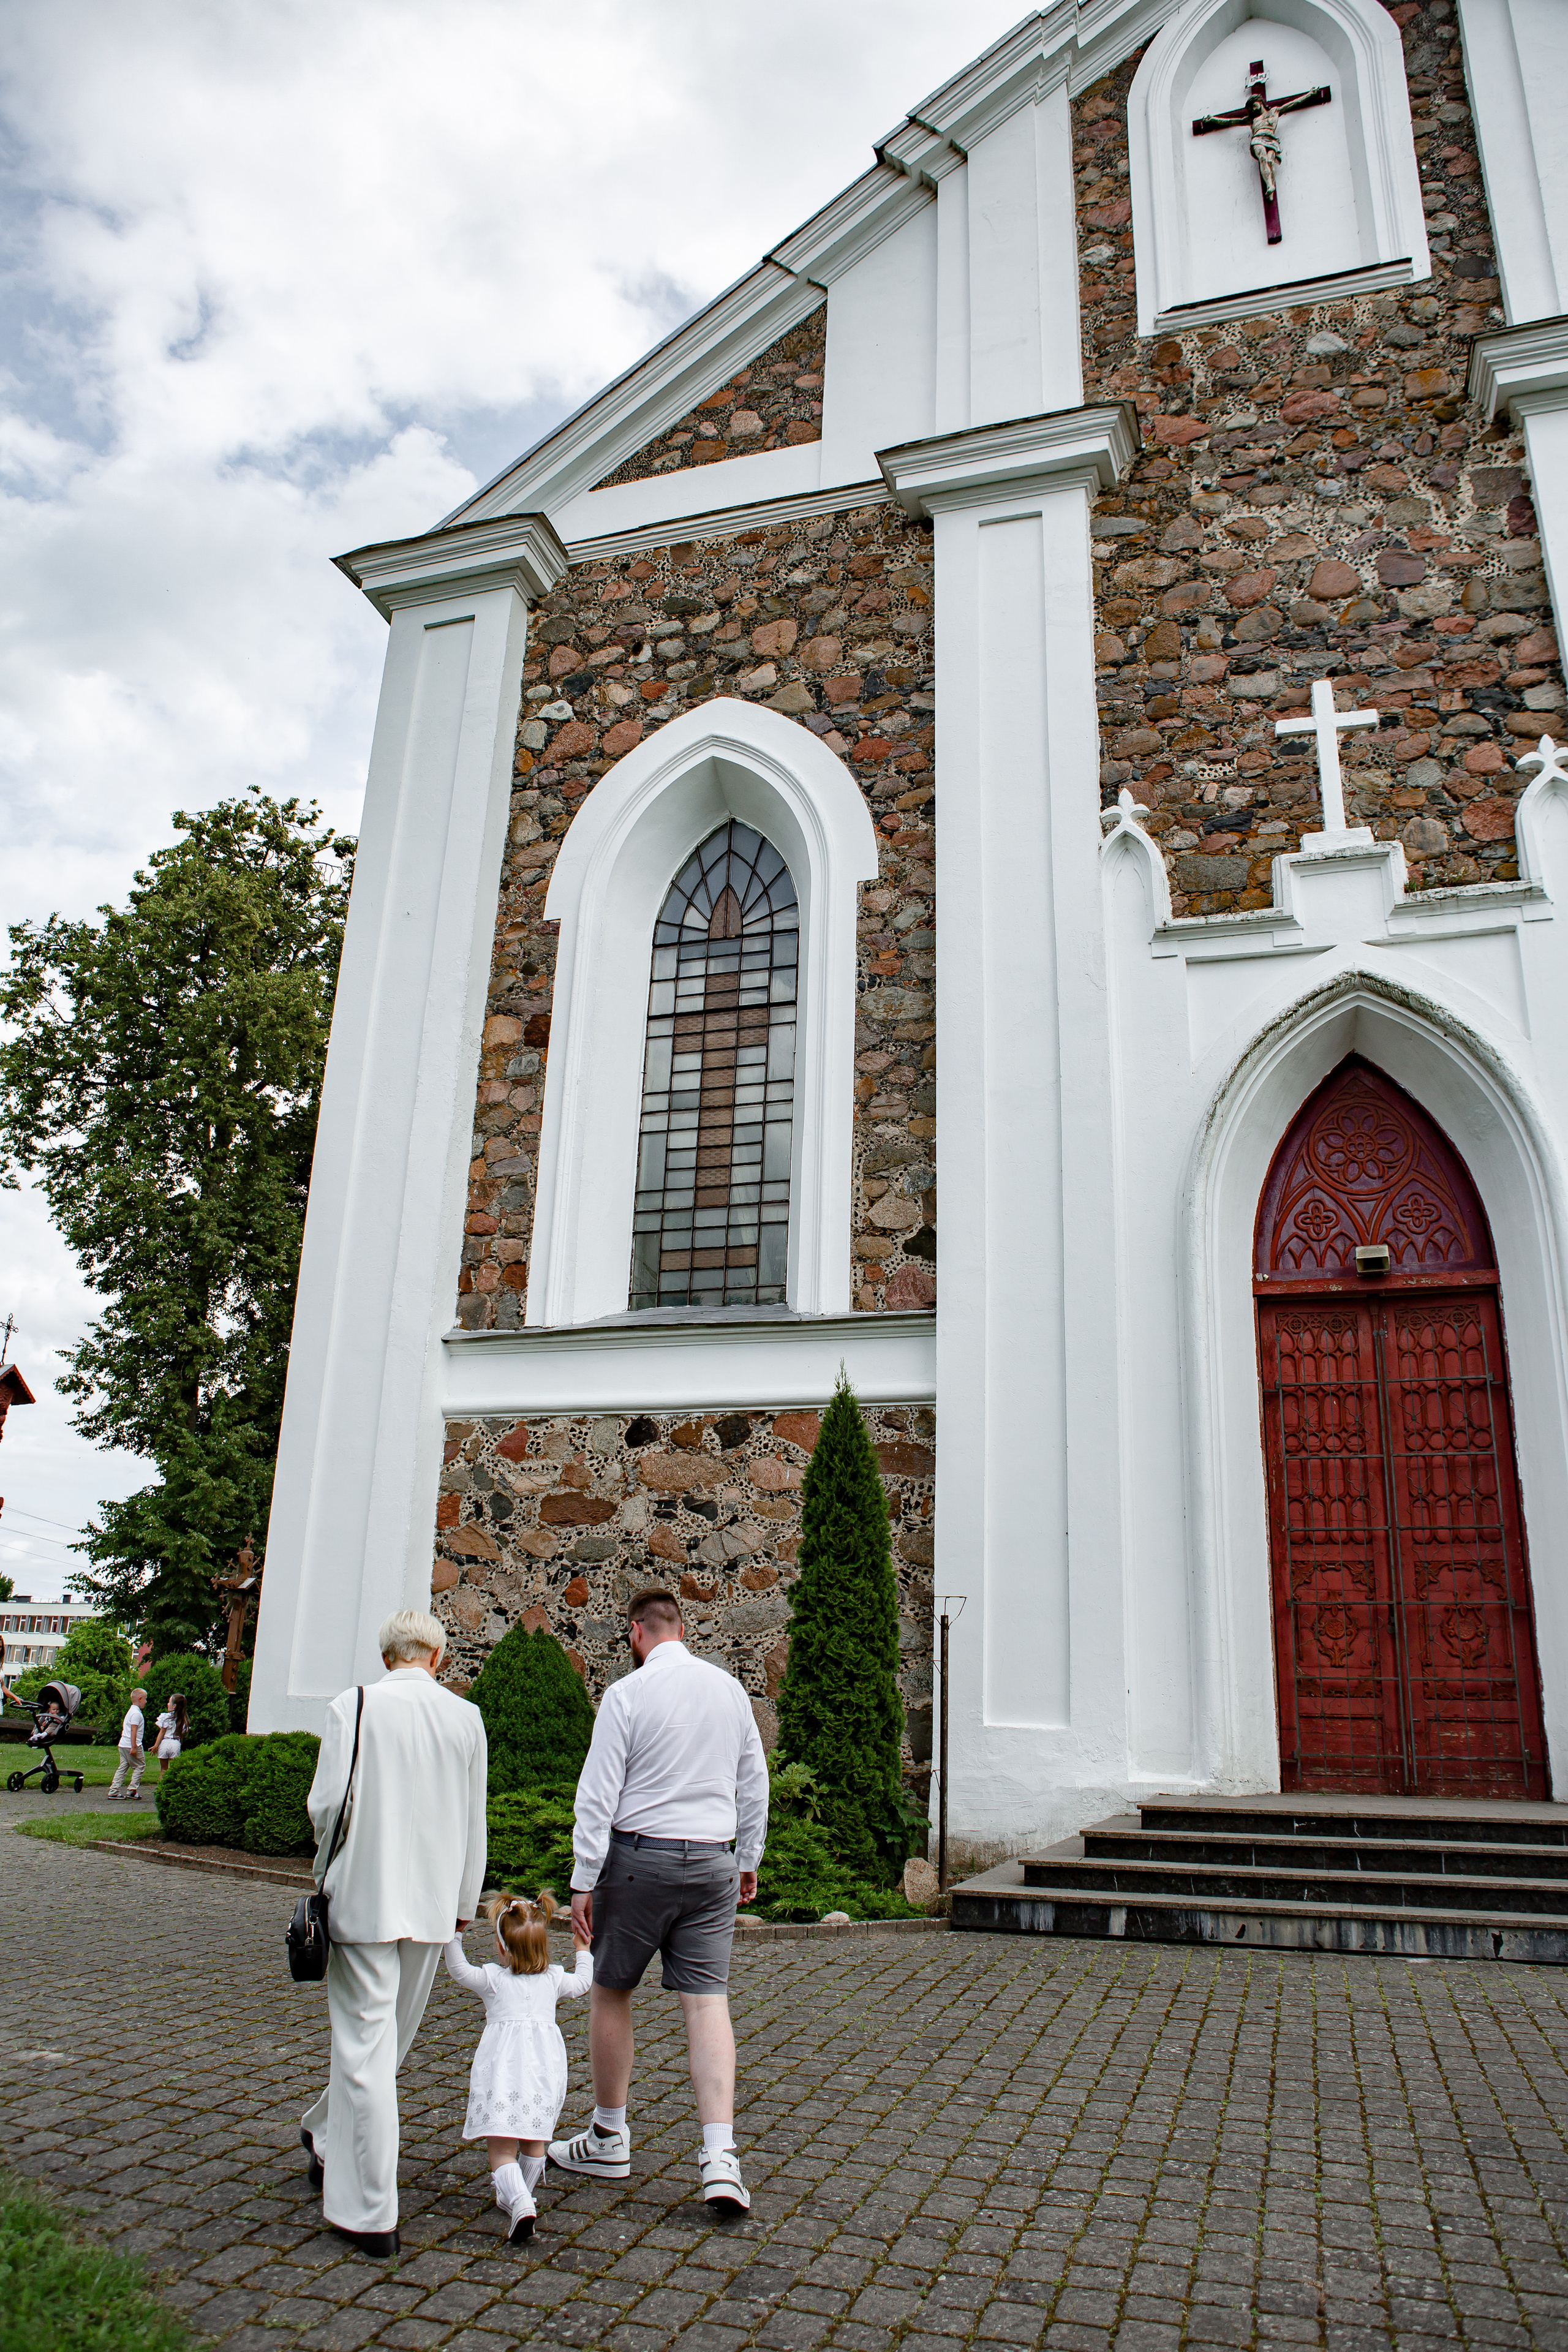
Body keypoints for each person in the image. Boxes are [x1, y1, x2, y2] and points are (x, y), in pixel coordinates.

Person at [548, 1588, 768, 2217]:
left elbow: (598, 1793)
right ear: (680, 1628)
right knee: (707, 2002)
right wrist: (747, 1857)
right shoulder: (728, 1689)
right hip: (712, 1861)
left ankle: (609, 2135)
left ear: (637, 1632)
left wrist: (584, 1878)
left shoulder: (627, 1694)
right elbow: (753, 1781)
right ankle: (721, 2158)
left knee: (611, 1991)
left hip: (639, 1862)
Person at [298, 1608, 488, 2259]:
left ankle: (369, 2208)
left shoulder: (352, 1707)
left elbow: (325, 1806)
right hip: (435, 1903)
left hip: (364, 1896)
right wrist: (466, 1899)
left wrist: (328, 1862)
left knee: (365, 2046)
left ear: (388, 1657)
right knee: (386, 2042)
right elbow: (474, 1818)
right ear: (437, 1656)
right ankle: (334, 2148)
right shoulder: (466, 1718)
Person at [442, 1890, 594, 2243]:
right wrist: (582, 1949)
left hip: (504, 2073)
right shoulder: (555, 1978)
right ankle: (519, 2197)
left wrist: (455, 1934)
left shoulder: (494, 1980)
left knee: (501, 2149)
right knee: (534, 2141)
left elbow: (459, 1970)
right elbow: (584, 1982)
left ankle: (520, 2199)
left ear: (502, 1948)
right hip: (544, 2072)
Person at [107, 1687, 148, 1800]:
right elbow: (133, 1730)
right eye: (145, 1699)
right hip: (132, 1745)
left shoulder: (130, 1712)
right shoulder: (136, 1714)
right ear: (140, 1699)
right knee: (140, 1766)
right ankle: (132, 1790)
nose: (146, 1702)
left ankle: (114, 1790)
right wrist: (134, 1747)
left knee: (123, 1767)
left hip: (123, 1744)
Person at [151, 1692, 188, 1781]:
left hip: (164, 1743)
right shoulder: (183, 1719)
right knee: (174, 1770)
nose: (168, 1704)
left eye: (170, 1702)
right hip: (175, 1743)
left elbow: (162, 1732)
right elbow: (182, 1734)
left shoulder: (165, 1717)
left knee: (163, 1770)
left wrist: (156, 1746)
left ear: (174, 1706)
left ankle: (161, 1788)